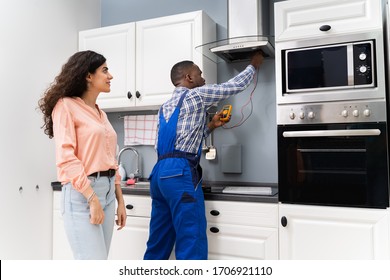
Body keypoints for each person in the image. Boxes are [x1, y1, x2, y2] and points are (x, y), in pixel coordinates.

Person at [144, 51, 264, 260]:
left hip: (159, 176)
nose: (203, 78)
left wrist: (212, 125)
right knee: (192, 239)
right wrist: (254, 64)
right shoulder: (196, 95)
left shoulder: (164, 107)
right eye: (199, 74)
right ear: (189, 78)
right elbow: (233, 86)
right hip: (179, 175)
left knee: (158, 240)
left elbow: (182, 140)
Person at [38, 50, 127, 260]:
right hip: (82, 194)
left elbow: (110, 160)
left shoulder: (100, 112)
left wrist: (120, 200)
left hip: (107, 192)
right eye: (104, 70)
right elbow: (66, 157)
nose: (110, 76)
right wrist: (92, 198)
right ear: (88, 75)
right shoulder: (65, 106)